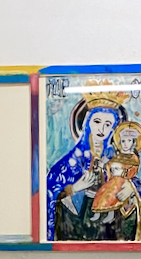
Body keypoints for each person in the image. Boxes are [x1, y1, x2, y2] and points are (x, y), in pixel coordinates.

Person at [47, 97, 124, 241]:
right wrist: (73, 188)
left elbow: (130, 187)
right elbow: (50, 191)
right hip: (76, 229)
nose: (102, 129)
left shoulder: (115, 160)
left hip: (109, 229)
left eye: (108, 124)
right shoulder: (70, 162)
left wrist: (128, 190)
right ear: (86, 123)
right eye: (97, 122)